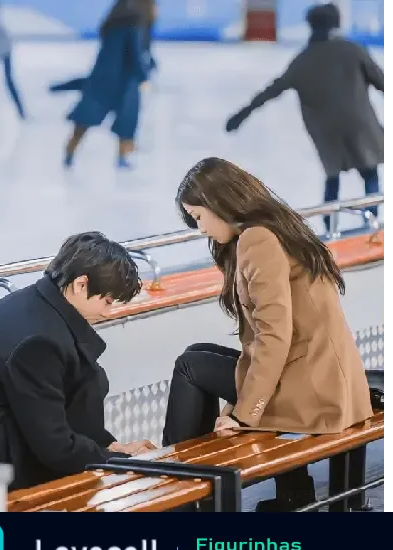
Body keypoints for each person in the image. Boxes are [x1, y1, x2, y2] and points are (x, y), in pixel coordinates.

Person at [162, 157, 374, 511]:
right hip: (325, 378)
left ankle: (178, 493)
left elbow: (275, 337)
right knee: (198, 352)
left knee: (191, 365)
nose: (200, 229)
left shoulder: (257, 239)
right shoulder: (278, 226)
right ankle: (212, 486)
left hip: (312, 387)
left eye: (198, 217)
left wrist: (244, 415)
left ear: (219, 202)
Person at [0, 232, 156, 491]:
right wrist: (119, 460)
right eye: (107, 301)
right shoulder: (38, 342)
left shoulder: (37, 305)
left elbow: (50, 416)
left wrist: (104, 447)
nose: (109, 313)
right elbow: (54, 447)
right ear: (81, 284)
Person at [225, 2, 385, 236]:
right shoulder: (353, 50)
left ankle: (331, 230)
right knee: (369, 173)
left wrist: (240, 116)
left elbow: (271, 91)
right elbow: (381, 81)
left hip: (326, 131)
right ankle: (371, 224)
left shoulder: (303, 60)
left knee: (332, 177)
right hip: (359, 124)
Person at [50, 0, 152, 169]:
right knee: (127, 120)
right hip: (124, 81)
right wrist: (143, 76)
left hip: (101, 77)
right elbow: (135, 54)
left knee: (85, 120)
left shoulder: (111, 23)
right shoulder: (134, 24)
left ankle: (70, 152)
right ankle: (122, 157)